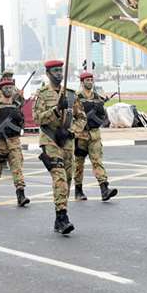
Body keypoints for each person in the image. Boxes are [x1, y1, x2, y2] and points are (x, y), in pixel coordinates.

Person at [33, 60, 86, 235]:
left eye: (60, 70)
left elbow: (82, 118)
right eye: (55, 71)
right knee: (60, 178)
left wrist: (71, 131)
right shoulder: (42, 94)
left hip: (67, 141)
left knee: (68, 179)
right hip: (50, 140)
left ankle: (58, 217)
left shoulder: (70, 95)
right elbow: (37, 118)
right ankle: (63, 217)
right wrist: (56, 110)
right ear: (48, 74)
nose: (58, 74)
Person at [0, 79, 29, 207]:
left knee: (17, 168)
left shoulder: (16, 105)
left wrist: (20, 119)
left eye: (10, 88)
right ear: (1, 90)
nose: (9, 90)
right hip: (0, 143)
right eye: (6, 88)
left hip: (14, 141)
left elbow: (21, 124)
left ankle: (21, 194)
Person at [74, 72, 117, 201]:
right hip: (81, 136)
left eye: (91, 80)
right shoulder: (76, 97)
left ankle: (104, 189)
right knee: (78, 164)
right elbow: (71, 116)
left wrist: (97, 116)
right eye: (87, 80)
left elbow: (102, 116)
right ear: (82, 82)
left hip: (94, 134)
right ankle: (78, 190)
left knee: (97, 161)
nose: (90, 82)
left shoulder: (97, 98)